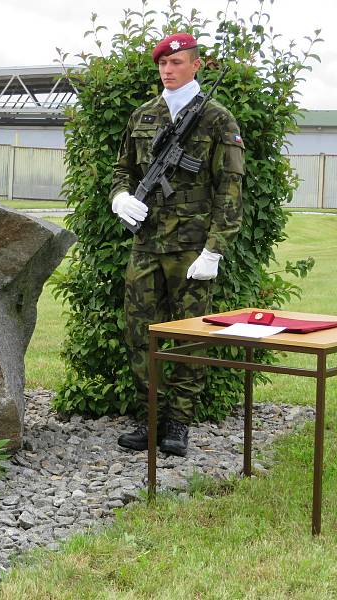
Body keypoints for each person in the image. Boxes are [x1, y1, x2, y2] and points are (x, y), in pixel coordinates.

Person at [110, 33, 245, 456]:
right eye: (163, 65)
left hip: (191, 249)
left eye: (177, 63)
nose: (168, 71)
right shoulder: (143, 115)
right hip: (147, 246)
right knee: (138, 333)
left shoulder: (217, 119)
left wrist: (215, 249)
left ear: (196, 65)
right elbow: (122, 169)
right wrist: (119, 197)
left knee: (190, 336)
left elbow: (231, 187)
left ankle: (177, 424)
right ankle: (149, 417)